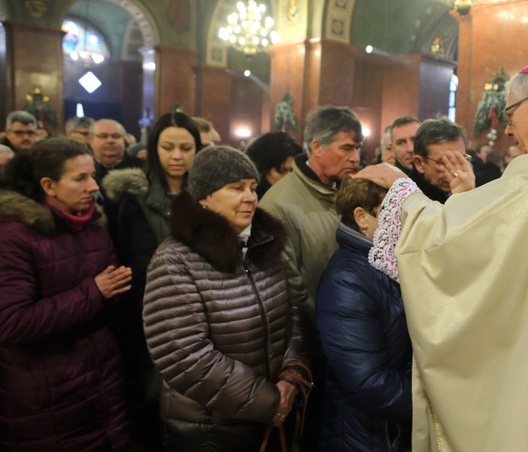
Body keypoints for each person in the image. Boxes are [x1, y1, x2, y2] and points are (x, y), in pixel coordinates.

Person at [356, 58, 528, 451]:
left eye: (510, 112)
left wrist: (404, 193)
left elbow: (452, 247)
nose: (506, 128)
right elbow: (510, 253)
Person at [143, 146, 312, 450]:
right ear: (204, 198)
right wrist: (269, 402)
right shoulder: (175, 260)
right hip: (210, 427)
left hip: (268, 416)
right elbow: (184, 355)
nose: (250, 197)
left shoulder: (262, 244)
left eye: (252, 187)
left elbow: (289, 316)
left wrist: (291, 376)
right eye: (236, 188)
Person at [0, 138, 132, 449]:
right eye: (80, 178)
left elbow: (109, 298)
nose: (94, 186)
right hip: (45, 394)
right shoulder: (13, 237)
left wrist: (119, 289)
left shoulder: (93, 227)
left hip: (102, 380)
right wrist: (95, 291)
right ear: (49, 185)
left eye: (93, 175)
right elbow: (12, 322)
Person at [258, 105, 362, 449]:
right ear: (317, 146)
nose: (355, 157)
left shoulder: (341, 191)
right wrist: (332, 332)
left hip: (342, 338)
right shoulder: (280, 204)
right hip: (315, 343)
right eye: (347, 148)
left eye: (358, 148)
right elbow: (290, 287)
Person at [102, 111, 202, 448]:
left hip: (206, 317)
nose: (177, 156)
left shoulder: (208, 193)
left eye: (186, 147)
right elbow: (142, 269)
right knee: (158, 408)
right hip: (155, 318)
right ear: (153, 149)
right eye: (168, 147)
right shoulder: (138, 198)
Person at [316, 177, 412, 451]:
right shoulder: (348, 280)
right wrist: (434, 402)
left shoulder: (386, 263)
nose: (404, 223)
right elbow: (367, 382)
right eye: (393, 213)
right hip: (367, 437)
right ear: (362, 217)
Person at [410, 118, 472, 203]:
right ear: (420, 164)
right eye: (444, 162)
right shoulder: (410, 201)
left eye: (460, 160)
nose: (454, 172)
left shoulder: (468, 188)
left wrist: (468, 196)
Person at [245, 131, 303, 200]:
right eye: (282, 170)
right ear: (264, 169)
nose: (289, 177)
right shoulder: (250, 200)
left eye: (293, 171)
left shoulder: (299, 196)